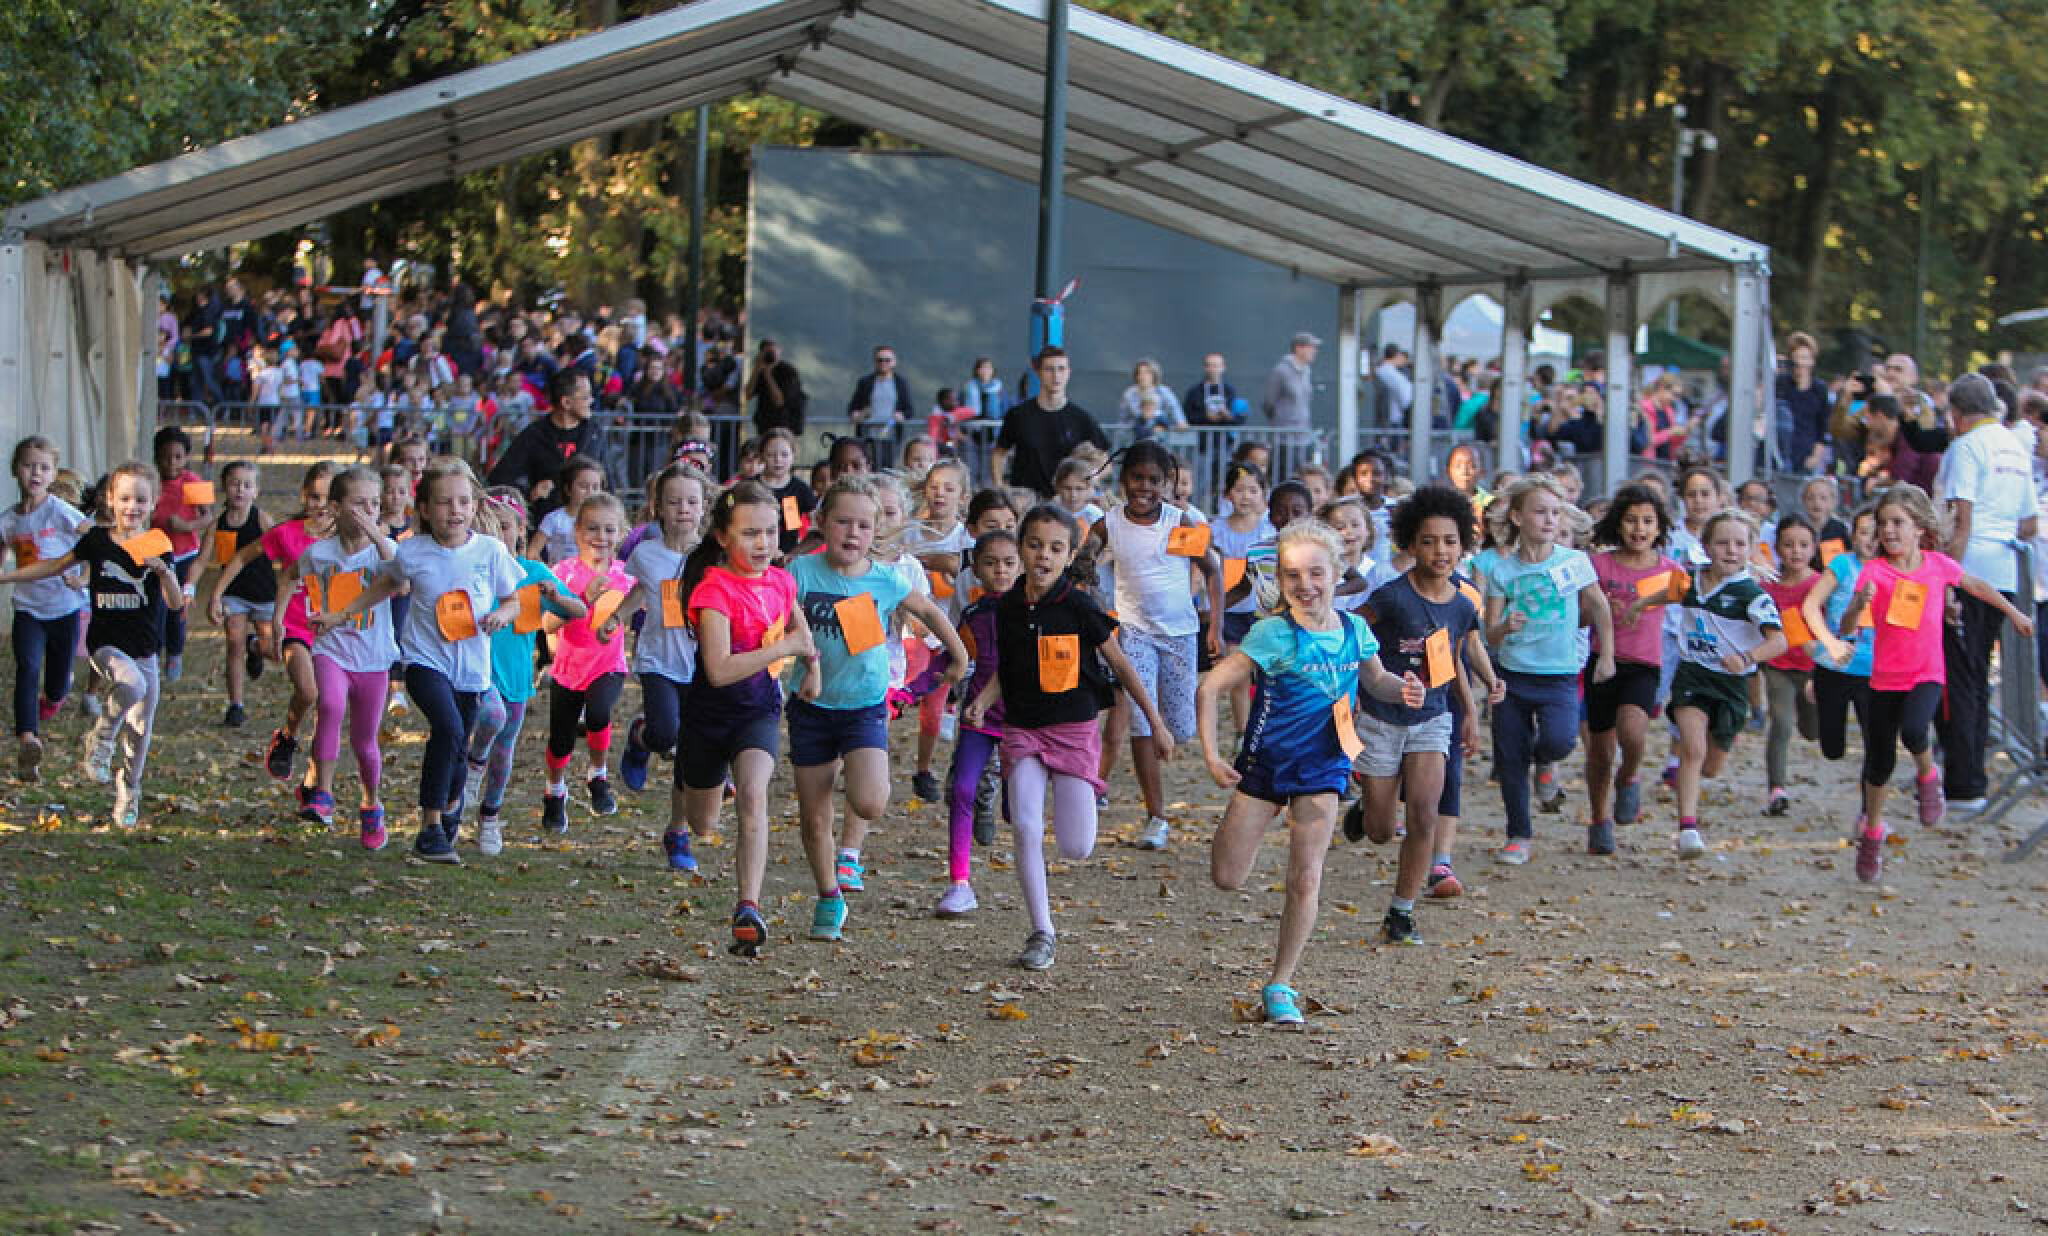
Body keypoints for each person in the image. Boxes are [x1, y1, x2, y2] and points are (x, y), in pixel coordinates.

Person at [1201, 520, 1424, 1025]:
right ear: (1280, 580)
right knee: (1227, 877)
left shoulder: (1355, 631)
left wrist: (1403, 689)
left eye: (1316, 573)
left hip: (1324, 766)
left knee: (1306, 877)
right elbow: (1210, 688)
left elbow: (1377, 681)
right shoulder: (1272, 634)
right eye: (1293, 575)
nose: (1306, 585)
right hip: (1266, 766)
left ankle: (1281, 984)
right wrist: (1213, 756)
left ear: (1337, 573)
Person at [961, 505, 1172, 972]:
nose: (1044, 555)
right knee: (1026, 827)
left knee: (1077, 847)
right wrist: (983, 700)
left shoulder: (1078, 605)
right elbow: (1008, 667)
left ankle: (1075, 794)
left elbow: (1120, 664)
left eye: (1055, 548)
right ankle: (1042, 931)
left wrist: (1155, 721)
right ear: (1021, 548)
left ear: (1069, 554)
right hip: (1022, 728)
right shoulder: (1007, 607)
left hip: (1072, 730)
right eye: (1035, 545)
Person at [319, 458, 527, 865]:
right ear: (426, 509)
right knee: (447, 729)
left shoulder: (491, 551)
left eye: (463, 501)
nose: (455, 511)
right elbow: (388, 584)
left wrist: (503, 615)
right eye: (444, 502)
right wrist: (341, 615)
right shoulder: (413, 551)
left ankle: (449, 806)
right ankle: (430, 828)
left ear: (474, 506)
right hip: (423, 661)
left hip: (472, 669)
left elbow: (513, 599)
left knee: (458, 745)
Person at [787, 477, 967, 940]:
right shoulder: (800, 573)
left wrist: (959, 654)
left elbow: (930, 611)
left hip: (864, 707)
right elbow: (778, 618)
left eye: (863, 526)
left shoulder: (885, 580)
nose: (853, 533)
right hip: (811, 707)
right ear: (821, 522)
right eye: (843, 522)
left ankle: (855, 771)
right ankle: (829, 896)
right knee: (815, 816)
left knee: (869, 800)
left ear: (875, 532)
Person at [1835, 484, 2033, 880]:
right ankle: (1872, 832)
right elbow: (1847, 627)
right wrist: (1858, 604)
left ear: (1919, 528)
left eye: (1898, 522)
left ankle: (1928, 776)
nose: (1888, 530)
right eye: (1883, 523)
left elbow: (1976, 586)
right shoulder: (1874, 572)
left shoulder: (1937, 565)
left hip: (1926, 672)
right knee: (1879, 765)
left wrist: (2014, 613)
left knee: (1914, 730)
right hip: (1884, 678)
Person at [0, 462, 184, 829]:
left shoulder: (157, 543)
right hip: (106, 646)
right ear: (110, 500)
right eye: (125, 498)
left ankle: (129, 790)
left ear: (153, 504)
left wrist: (164, 573)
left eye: (141, 500)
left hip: (145, 649)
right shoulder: (97, 541)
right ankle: (101, 735)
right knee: (133, 685)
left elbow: (176, 603)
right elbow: (54, 565)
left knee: (140, 731)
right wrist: (7, 576)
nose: (132, 507)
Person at [1346, 487, 1490, 945]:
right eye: (1428, 541)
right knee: (1380, 831)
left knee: (1426, 814)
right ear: (1409, 543)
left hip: (1432, 718)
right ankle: (1367, 809)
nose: (1440, 551)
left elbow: (1452, 659)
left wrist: (1469, 711)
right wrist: (1350, 694)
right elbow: (1351, 636)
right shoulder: (1390, 598)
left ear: (1463, 544)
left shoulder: (1463, 604)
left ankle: (1401, 912)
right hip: (1380, 718)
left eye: (1450, 541)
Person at [681, 482, 814, 956]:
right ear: (722, 536)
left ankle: (748, 908)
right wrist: (784, 649)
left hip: (758, 711)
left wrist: (812, 667)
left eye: (770, 532)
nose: (763, 543)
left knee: (755, 796)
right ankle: (702, 782)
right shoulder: (712, 591)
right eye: (750, 534)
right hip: (708, 716)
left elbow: (798, 628)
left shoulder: (781, 580)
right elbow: (718, 670)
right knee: (703, 824)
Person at [1073, 442, 1225, 850]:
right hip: (1134, 633)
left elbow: (1213, 571)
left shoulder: (1179, 522)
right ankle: (1156, 817)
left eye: (1154, 480)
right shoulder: (1109, 524)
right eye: (1136, 478)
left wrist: (1215, 626)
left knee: (1180, 728)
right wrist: (1084, 566)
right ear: (1123, 480)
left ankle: (1167, 735)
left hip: (1180, 634)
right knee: (1143, 723)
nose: (1144, 487)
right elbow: (1083, 561)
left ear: (1167, 483)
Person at [1480, 475, 1615, 865]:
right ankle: (1518, 835)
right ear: (1518, 517)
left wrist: (1606, 655)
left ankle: (1544, 762)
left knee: (1560, 741)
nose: (1550, 520)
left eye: (1556, 513)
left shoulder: (1573, 562)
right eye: (1540, 512)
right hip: (1512, 675)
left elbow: (1600, 606)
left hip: (1559, 674)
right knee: (1510, 758)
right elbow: (1490, 632)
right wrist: (1505, 626)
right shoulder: (1502, 570)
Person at [1934, 372, 2040, 812]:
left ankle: (1964, 784)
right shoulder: (2014, 446)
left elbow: (1962, 523)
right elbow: (2029, 522)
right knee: (1977, 677)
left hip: (1971, 569)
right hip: (2005, 572)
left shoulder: (1967, 447)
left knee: (1960, 677)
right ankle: (1972, 777)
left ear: (1957, 414)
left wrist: (1949, 581)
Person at [467, 489, 583, 858]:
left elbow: (578, 611)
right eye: (487, 526)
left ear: (521, 530)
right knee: (490, 717)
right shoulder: (473, 567)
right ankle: (471, 769)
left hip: (516, 677)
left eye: (505, 526)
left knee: (505, 752)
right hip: (476, 672)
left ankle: (489, 817)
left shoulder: (532, 573)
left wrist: (557, 597)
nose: (496, 533)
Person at [285, 467, 397, 842]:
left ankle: (371, 804)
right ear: (335, 508)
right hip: (331, 648)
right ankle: (323, 793)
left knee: (365, 742)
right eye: (359, 504)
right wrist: (280, 618)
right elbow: (291, 576)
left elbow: (401, 578)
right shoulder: (319, 554)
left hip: (374, 657)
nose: (368, 511)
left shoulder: (385, 551)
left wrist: (377, 534)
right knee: (330, 706)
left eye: (375, 504)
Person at [209, 462, 333, 795]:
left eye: (329, 498)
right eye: (315, 497)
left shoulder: (348, 538)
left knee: (330, 707)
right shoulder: (287, 533)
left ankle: (316, 784)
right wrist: (217, 593)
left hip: (334, 630)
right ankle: (288, 738)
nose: (322, 505)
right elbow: (241, 557)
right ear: (304, 496)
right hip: (293, 625)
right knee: (308, 692)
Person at [615, 466, 709, 869]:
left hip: (703, 665)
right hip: (658, 660)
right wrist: (615, 618)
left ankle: (678, 832)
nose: (683, 509)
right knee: (665, 732)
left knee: (690, 749)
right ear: (659, 508)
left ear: (703, 507)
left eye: (691, 501)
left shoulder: (714, 556)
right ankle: (641, 738)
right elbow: (640, 590)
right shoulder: (646, 554)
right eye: (674, 501)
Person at [1583, 484, 1680, 853]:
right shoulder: (1600, 566)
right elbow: (1579, 618)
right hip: (1602, 661)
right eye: (1631, 520)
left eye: (1648, 521)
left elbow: (1698, 595)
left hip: (1644, 665)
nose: (1639, 529)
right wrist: (1598, 609)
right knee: (1600, 752)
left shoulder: (1669, 570)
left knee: (1633, 731)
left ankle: (1629, 776)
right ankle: (1599, 820)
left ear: (1659, 527)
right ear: (1618, 524)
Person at [536, 492, 636, 831]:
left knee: (598, 712)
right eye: (592, 528)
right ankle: (554, 791)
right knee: (561, 741)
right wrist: (583, 597)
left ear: (621, 533)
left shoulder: (626, 575)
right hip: (568, 669)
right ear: (577, 531)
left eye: (609, 529)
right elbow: (548, 625)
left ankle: (598, 775)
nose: (600, 537)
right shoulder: (563, 573)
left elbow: (644, 604)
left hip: (608, 664)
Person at [935, 528, 1020, 917]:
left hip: (1023, 722)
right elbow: (953, 660)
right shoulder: (973, 616)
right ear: (977, 570)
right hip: (978, 718)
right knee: (963, 789)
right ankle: (959, 882)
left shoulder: (1034, 613)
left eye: (1008, 562)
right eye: (991, 563)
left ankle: (1032, 883)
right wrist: (908, 689)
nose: (1000, 570)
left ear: (1020, 566)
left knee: (1018, 807)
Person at [1, 436, 89, 779]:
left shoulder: (60, 511)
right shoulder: (8, 521)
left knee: (57, 682)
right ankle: (28, 739)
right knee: (27, 667)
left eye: (43, 467)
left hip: (65, 608)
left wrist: (83, 577)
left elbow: (93, 540)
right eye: (28, 466)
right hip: (28, 609)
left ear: (53, 474)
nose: (35, 473)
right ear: (15, 470)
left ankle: (52, 700)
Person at [1800, 504, 1876, 767]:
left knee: (1877, 747)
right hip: (1835, 663)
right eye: (1864, 532)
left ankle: (1870, 794)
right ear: (1853, 536)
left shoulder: (1891, 568)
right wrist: (1829, 642)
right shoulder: (1842, 564)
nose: (1870, 539)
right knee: (1832, 748)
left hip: (1873, 667)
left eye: (1876, 532)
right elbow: (1811, 604)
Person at [1758, 517, 1825, 817]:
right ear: (1777, 548)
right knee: (1782, 723)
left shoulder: (1822, 584)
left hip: (1813, 667)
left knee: (1812, 730)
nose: (1796, 551)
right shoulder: (1768, 586)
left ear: (1813, 548)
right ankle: (1777, 789)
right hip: (1778, 665)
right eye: (1788, 545)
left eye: (1803, 545)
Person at [199, 462, 274, 729]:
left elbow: (283, 548)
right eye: (234, 484)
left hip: (264, 593)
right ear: (224, 487)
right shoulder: (217, 526)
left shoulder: (262, 519)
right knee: (234, 645)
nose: (240, 490)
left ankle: (256, 647)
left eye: (247, 485)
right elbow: (201, 560)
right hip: (233, 595)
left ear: (256, 491)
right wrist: (189, 587)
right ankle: (236, 705)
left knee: (273, 649)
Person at [486, 369, 617, 503]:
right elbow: (499, 478)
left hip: (587, 513)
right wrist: (529, 493)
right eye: (585, 397)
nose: (591, 401)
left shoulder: (595, 433)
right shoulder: (534, 434)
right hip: (546, 514)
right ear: (566, 402)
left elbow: (608, 483)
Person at [991, 348, 1108, 497]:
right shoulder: (1018, 415)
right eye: (1049, 369)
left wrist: (1090, 479)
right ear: (1038, 372)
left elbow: (1106, 461)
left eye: (1061, 369)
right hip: (1025, 500)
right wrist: (999, 486)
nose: (1056, 375)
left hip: (1065, 502)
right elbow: (999, 453)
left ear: (1069, 372)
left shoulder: (1082, 418)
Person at [149, 427, 210, 684]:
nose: (171, 463)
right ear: (156, 457)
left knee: (177, 608)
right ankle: (153, 653)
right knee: (156, 607)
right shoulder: (150, 481)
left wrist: (186, 526)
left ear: (186, 457)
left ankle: (175, 653)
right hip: (156, 555)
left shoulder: (193, 481)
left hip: (185, 554)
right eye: (165, 457)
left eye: (177, 457)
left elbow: (208, 517)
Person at [527, 456, 605, 565]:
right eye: (583, 486)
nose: (590, 492)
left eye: (595, 487)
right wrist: (547, 572)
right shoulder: (555, 519)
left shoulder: (604, 520)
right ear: (568, 489)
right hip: (560, 574)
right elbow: (532, 552)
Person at [1262, 332, 1319, 430]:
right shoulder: (1281, 371)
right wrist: (1280, 421)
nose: (1315, 351)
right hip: (1284, 434)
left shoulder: (1307, 371)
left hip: (1304, 432)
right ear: (1298, 348)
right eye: (1311, 347)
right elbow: (1268, 402)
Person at [1118, 359, 1185, 427]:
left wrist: (1180, 422)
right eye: (1139, 373)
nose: (1142, 376)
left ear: (1154, 375)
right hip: (1137, 431)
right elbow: (1123, 419)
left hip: (1160, 431)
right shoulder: (1129, 394)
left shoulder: (1164, 391)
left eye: (1147, 373)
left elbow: (1174, 409)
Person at [1183, 353, 1240, 426]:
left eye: (1216, 366)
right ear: (1204, 368)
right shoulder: (1194, 391)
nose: (1212, 369)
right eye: (1209, 366)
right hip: (1201, 432)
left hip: (1225, 432)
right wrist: (1205, 417)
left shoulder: (1230, 391)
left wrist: (1228, 415)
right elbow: (1186, 416)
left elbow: (1239, 418)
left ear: (1223, 368)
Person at [1373, 344, 1413, 427]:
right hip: (1395, 418)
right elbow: (1407, 399)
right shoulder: (1390, 373)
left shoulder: (1383, 370)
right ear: (1397, 355)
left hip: (1389, 416)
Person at [961, 357, 1005, 422]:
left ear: (993, 370)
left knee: (992, 396)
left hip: (994, 421)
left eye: (988, 368)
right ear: (977, 370)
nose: (986, 371)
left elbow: (1004, 406)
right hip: (973, 421)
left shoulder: (998, 387)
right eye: (983, 368)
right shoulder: (969, 386)